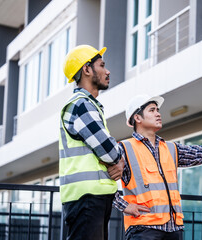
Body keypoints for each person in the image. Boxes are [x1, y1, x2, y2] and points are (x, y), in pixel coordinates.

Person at [114, 94, 202, 240]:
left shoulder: (171, 148)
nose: (158, 114)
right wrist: (124, 206)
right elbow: (101, 181)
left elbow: (201, 153)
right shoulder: (124, 148)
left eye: (158, 110)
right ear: (137, 118)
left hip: (173, 229)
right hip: (143, 229)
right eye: (152, 110)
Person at [59, 45, 125, 240]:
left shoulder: (89, 105)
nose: (108, 71)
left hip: (92, 197)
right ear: (87, 69)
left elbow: (108, 150)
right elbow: (109, 151)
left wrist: (116, 157)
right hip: (86, 199)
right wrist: (118, 160)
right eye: (102, 65)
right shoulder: (81, 105)